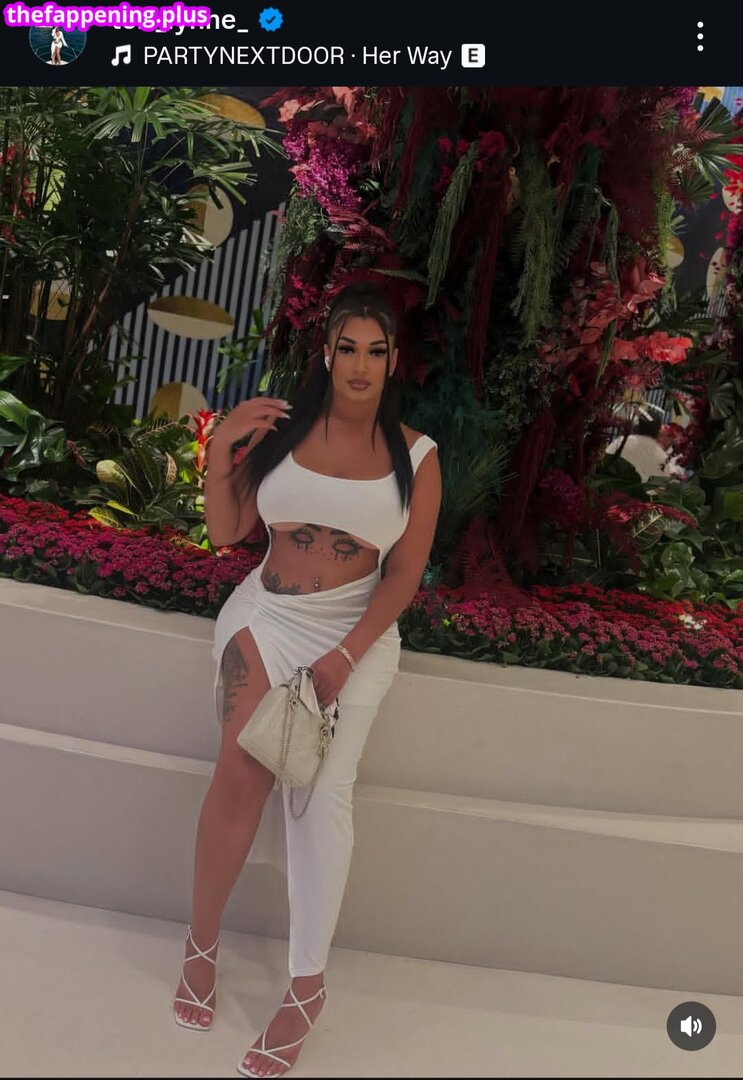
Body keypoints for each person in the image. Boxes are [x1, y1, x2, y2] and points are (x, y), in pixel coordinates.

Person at [173, 283, 442, 1077]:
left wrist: (345, 656)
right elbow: (226, 531)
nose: (359, 365)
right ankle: (199, 946)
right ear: (325, 354)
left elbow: (405, 574)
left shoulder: (417, 457)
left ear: (392, 362)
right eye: (346, 347)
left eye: (375, 351)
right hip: (265, 617)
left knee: (319, 797)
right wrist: (223, 447)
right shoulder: (282, 434)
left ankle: (305, 987)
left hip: (355, 635)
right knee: (238, 773)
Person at [606, 413, 685, 482]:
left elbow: (606, 460)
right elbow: (662, 484)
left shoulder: (621, 441)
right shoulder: (662, 457)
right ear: (658, 431)